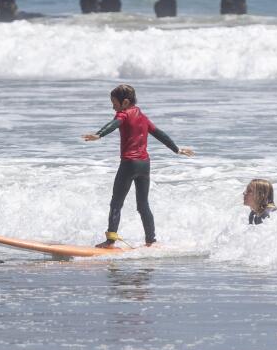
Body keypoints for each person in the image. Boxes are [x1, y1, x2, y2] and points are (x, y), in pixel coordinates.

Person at [82, 84, 194, 248]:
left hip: (129, 164)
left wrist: (99, 134)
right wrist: (177, 149)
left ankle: (110, 240)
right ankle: (151, 241)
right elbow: (160, 134)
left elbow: (114, 124)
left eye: (114, 102)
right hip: (144, 165)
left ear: (125, 102)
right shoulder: (143, 117)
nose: (112, 106)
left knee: (116, 203)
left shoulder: (124, 114)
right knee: (143, 205)